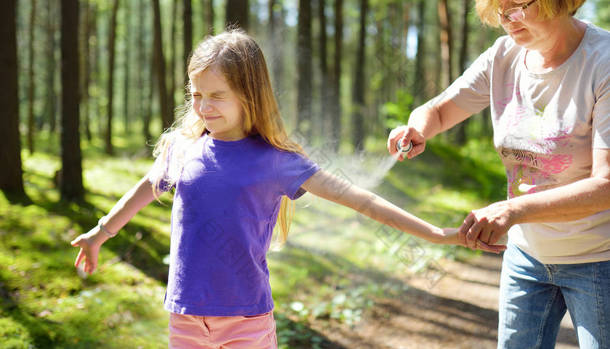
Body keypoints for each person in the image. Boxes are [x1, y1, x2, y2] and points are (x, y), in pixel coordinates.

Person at [71, 30, 503, 349]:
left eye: (216, 96)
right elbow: (145, 188)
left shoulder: (276, 162)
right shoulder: (181, 151)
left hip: (247, 323)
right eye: (197, 94)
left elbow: (361, 199)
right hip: (184, 319)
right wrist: (99, 233)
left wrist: (437, 233)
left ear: (249, 94)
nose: (203, 107)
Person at [388, 0, 610, 347]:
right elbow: (437, 112)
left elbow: (606, 185)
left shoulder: (603, 64)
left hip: (600, 259)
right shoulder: (505, 56)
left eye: (518, 5)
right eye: (500, 8)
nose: (507, 20)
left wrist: (512, 210)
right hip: (526, 257)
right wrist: (416, 128)